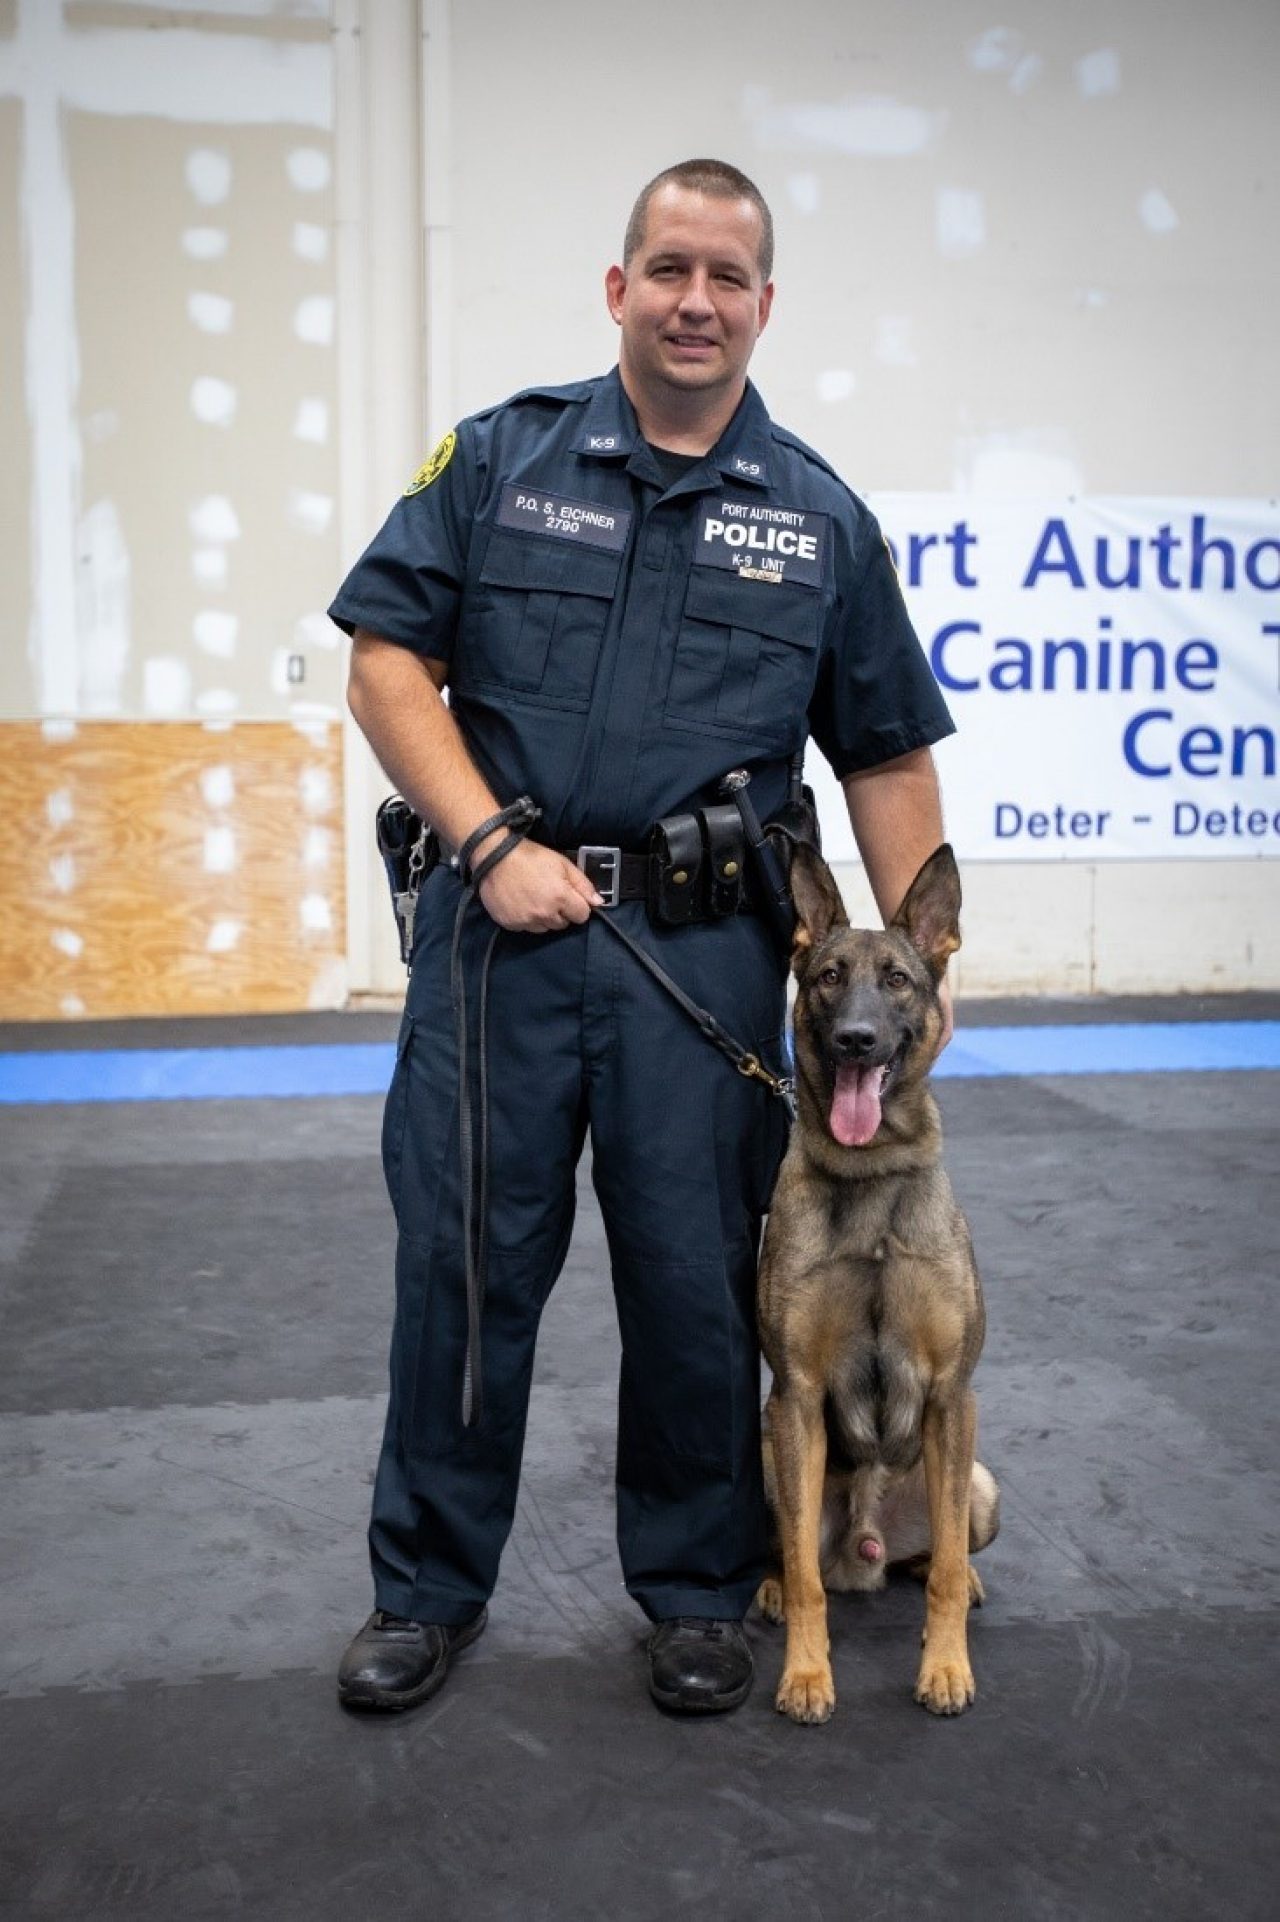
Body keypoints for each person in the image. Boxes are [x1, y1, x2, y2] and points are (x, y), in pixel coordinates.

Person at [328, 157, 955, 1717]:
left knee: (696, 1284)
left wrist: (931, 974)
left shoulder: (818, 518)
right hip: (504, 946)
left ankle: (695, 1590)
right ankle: (425, 1587)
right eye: (667, 269)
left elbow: (884, 754)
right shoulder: (498, 458)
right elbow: (386, 663)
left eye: (725, 276)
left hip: (706, 968)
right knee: (463, 1274)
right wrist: (484, 842)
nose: (694, 300)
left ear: (762, 306)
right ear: (619, 288)